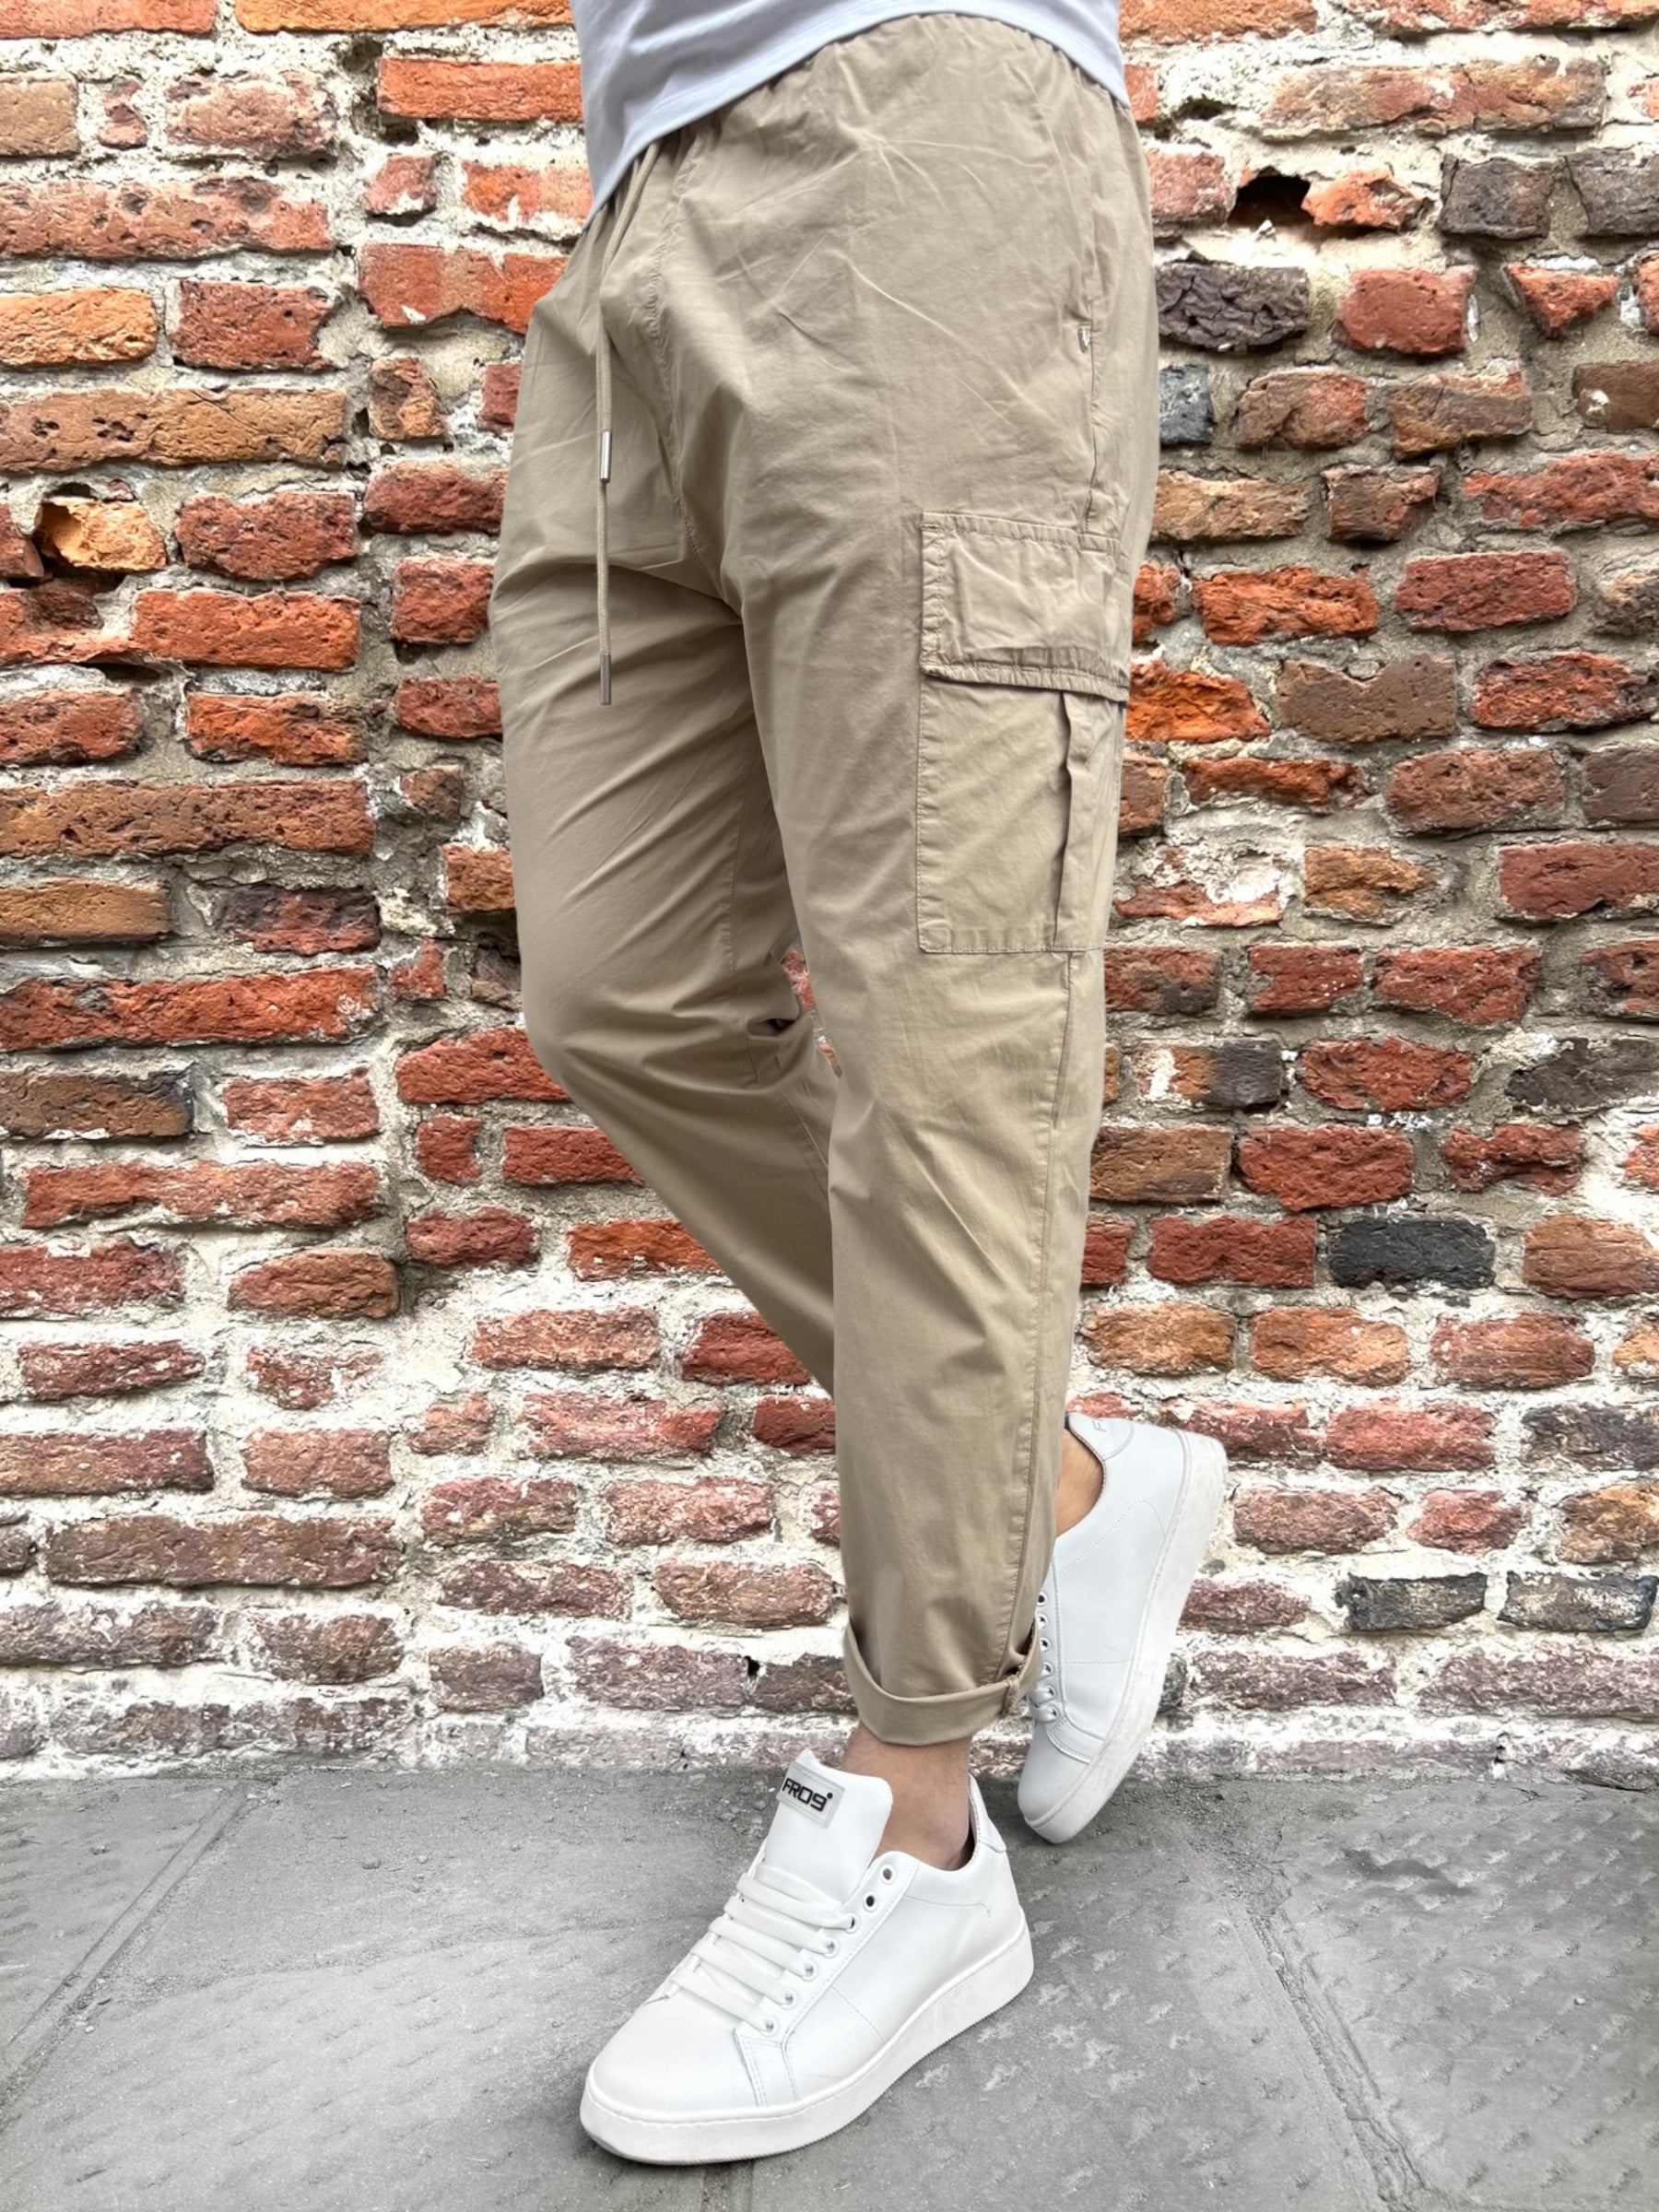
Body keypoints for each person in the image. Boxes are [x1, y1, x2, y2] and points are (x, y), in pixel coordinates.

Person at [490, 1, 1226, 2163]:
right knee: (620, 994)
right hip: (640, 205)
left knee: (947, 1043)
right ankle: (1064, 1488)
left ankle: (920, 1824)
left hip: (926, 134)